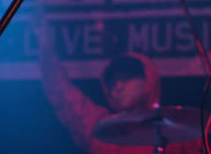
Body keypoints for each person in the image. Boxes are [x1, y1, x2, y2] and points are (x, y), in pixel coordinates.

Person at [38, 21, 202, 153]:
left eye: (125, 77)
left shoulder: (181, 132)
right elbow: (63, 95)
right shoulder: (100, 129)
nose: (117, 86)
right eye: (112, 82)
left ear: (148, 79)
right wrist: (45, 46)